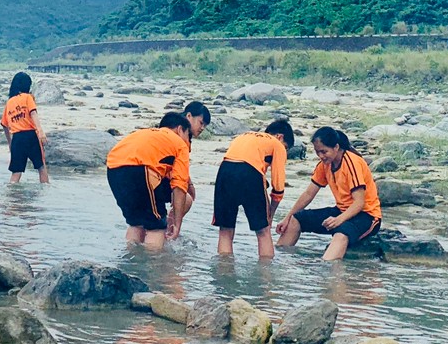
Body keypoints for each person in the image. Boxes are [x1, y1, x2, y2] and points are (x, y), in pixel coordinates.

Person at [276, 127, 383, 261]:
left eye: (324, 151)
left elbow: (359, 203)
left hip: (367, 216)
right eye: (317, 152)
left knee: (341, 233)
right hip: (342, 211)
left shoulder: (352, 163)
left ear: (336, 147)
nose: (321, 156)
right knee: (297, 219)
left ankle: (327, 266)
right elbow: (308, 194)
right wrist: (287, 218)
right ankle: (277, 261)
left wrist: (339, 220)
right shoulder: (324, 164)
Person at [106, 111, 194, 249]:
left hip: (113, 169)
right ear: (180, 129)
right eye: (188, 136)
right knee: (156, 227)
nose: (189, 144)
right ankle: (153, 261)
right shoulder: (179, 143)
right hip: (141, 170)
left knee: (136, 223)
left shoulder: (146, 135)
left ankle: (132, 256)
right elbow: (179, 186)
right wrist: (177, 225)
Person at [213, 120, 295, 259]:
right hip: (250, 174)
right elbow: (278, 184)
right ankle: (266, 271)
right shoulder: (276, 144)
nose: (284, 151)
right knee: (263, 232)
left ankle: (224, 269)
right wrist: (270, 216)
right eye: (286, 148)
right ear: (280, 137)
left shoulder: (243, 136)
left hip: (224, 171)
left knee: (225, 230)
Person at [1, 71, 50, 184]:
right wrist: (41, 132)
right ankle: (46, 192)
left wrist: (10, 143)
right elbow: (33, 113)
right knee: (41, 167)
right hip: (31, 136)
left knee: (16, 172)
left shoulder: (9, 102)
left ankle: (11, 193)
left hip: (17, 139)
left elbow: (4, 125)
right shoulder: (28, 97)